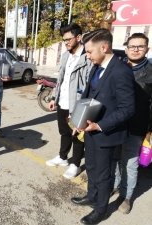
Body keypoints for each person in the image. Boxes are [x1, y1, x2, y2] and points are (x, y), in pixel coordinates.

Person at [70, 29, 135, 225]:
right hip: (89, 129)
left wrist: (99, 125)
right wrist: (77, 120)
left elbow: (127, 109)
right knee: (90, 167)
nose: (87, 56)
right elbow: (88, 97)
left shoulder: (121, 72)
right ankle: (91, 196)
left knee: (103, 174)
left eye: (89, 52)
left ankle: (101, 210)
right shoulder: (96, 66)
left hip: (105, 132)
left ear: (104, 47)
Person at [111, 33, 152, 214]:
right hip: (116, 123)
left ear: (147, 49)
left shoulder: (150, 73)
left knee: (130, 162)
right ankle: (115, 184)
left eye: (140, 46)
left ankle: (126, 197)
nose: (135, 49)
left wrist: (150, 131)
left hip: (137, 126)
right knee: (115, 158)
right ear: (126, 48)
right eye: (132, 46)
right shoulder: (117, 67)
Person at [45, 23, 93, 179]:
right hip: (62, 102)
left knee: (77, 135)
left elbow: (88, 85)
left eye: (68, 39)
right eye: (64, 40)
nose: (66, 43)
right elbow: (61, 80)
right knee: (64, 132)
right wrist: (54, 97)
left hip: (77, 104)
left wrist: (84, 108)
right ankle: (63, 157)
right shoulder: (66, 55)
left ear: (79, 37)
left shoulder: (87, 57)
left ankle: (76, 164)